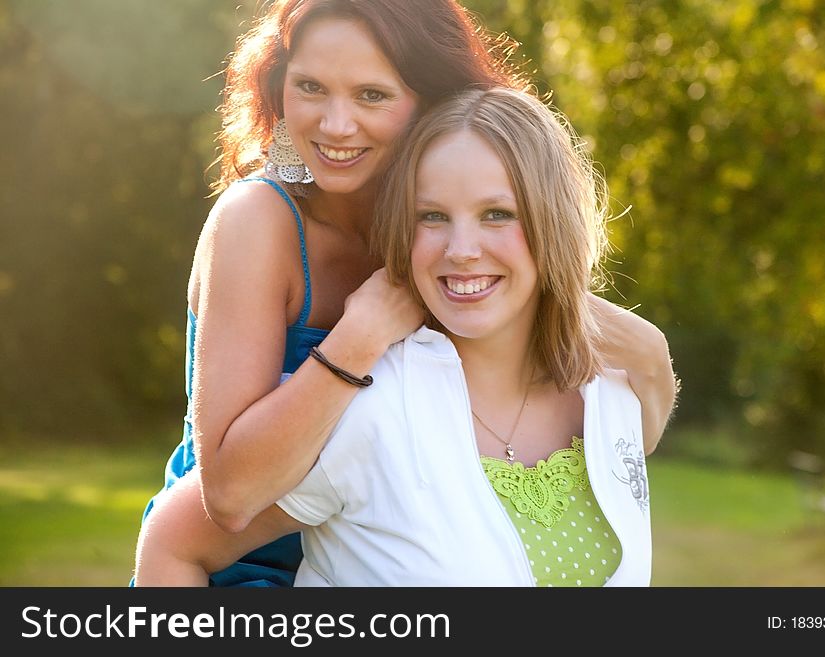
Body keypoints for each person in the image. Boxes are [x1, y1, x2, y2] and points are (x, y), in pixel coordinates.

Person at [137, 0, 675, 587]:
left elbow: (606, 432)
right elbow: (229, 496)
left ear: (429, 99)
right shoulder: (258, 221)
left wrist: (648, 356)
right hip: (232, 569)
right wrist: (360, 336)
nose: (336, 126)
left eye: (372, 95)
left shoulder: (436, 232)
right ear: (276, 90)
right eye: (310, 87)